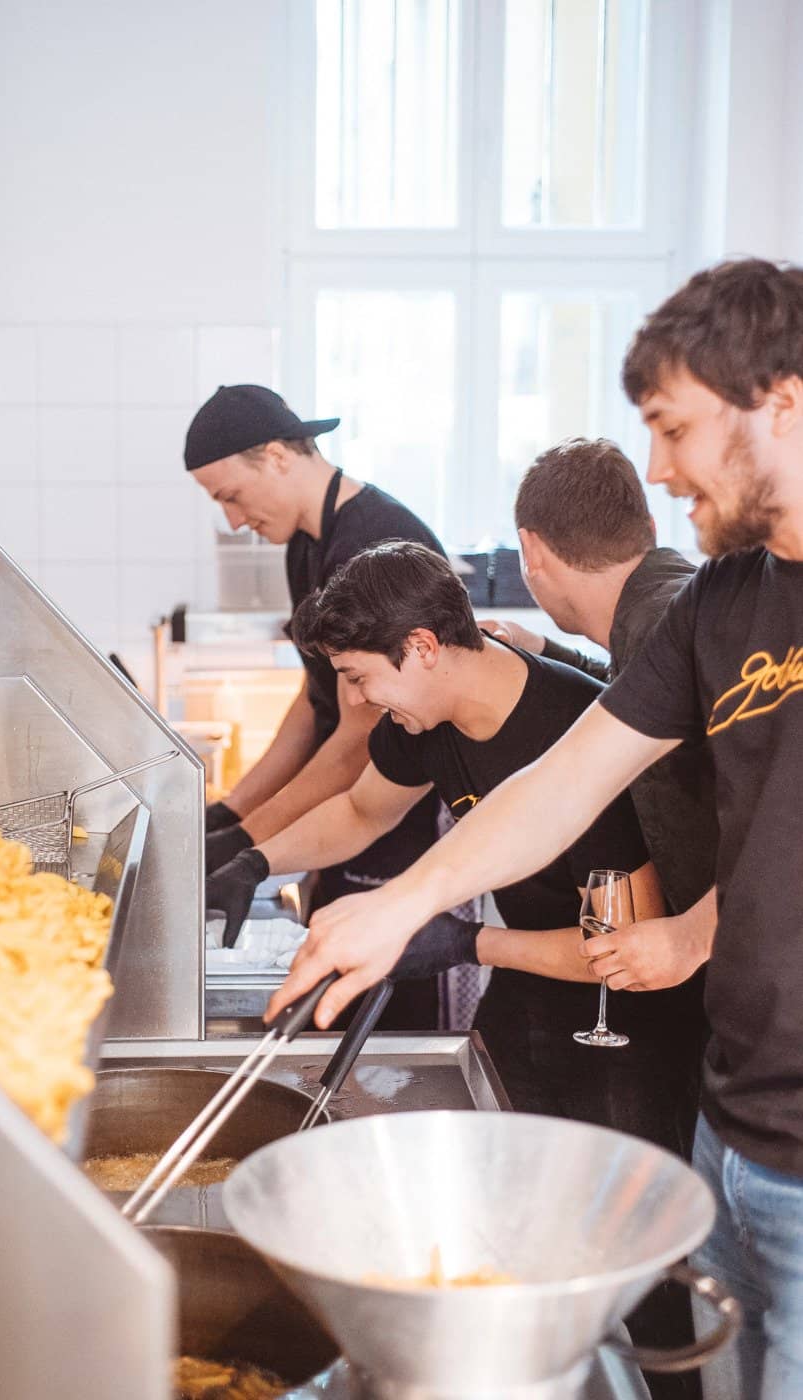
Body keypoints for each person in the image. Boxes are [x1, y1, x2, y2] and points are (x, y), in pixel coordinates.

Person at [268, 258, 803, 1399]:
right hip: (737, 1121)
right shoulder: (722, 601)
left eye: (672, 427)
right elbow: (566, 780)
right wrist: (404, 904)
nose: (656, 470)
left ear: (782, 401)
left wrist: (693, 928)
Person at [208, 538, 703, 1153]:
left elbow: (625, 948)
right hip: (527, 991)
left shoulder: (571, 731)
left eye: (358, 678)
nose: (358, 702)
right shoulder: (422, 722)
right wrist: (254, 862)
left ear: (421, 648)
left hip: (623, 1030)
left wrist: (466, 942)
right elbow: (362, 812)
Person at [185, 383, 443, 1026]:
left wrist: (250, 840)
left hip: (395, 824)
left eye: (231, 497)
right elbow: (315, 700)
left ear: (275, 456)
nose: (235, 523)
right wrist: (233, 811)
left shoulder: (373, 542)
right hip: (342, 819)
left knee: (386, 1033)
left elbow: (358, 737)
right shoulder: (308, 542)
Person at [491, 438, 718, 998]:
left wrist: (694, 936)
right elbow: (634, 688)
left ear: (530, 550)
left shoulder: (665, 630)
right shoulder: (669, 604)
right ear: (648, 525)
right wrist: (543, 648)